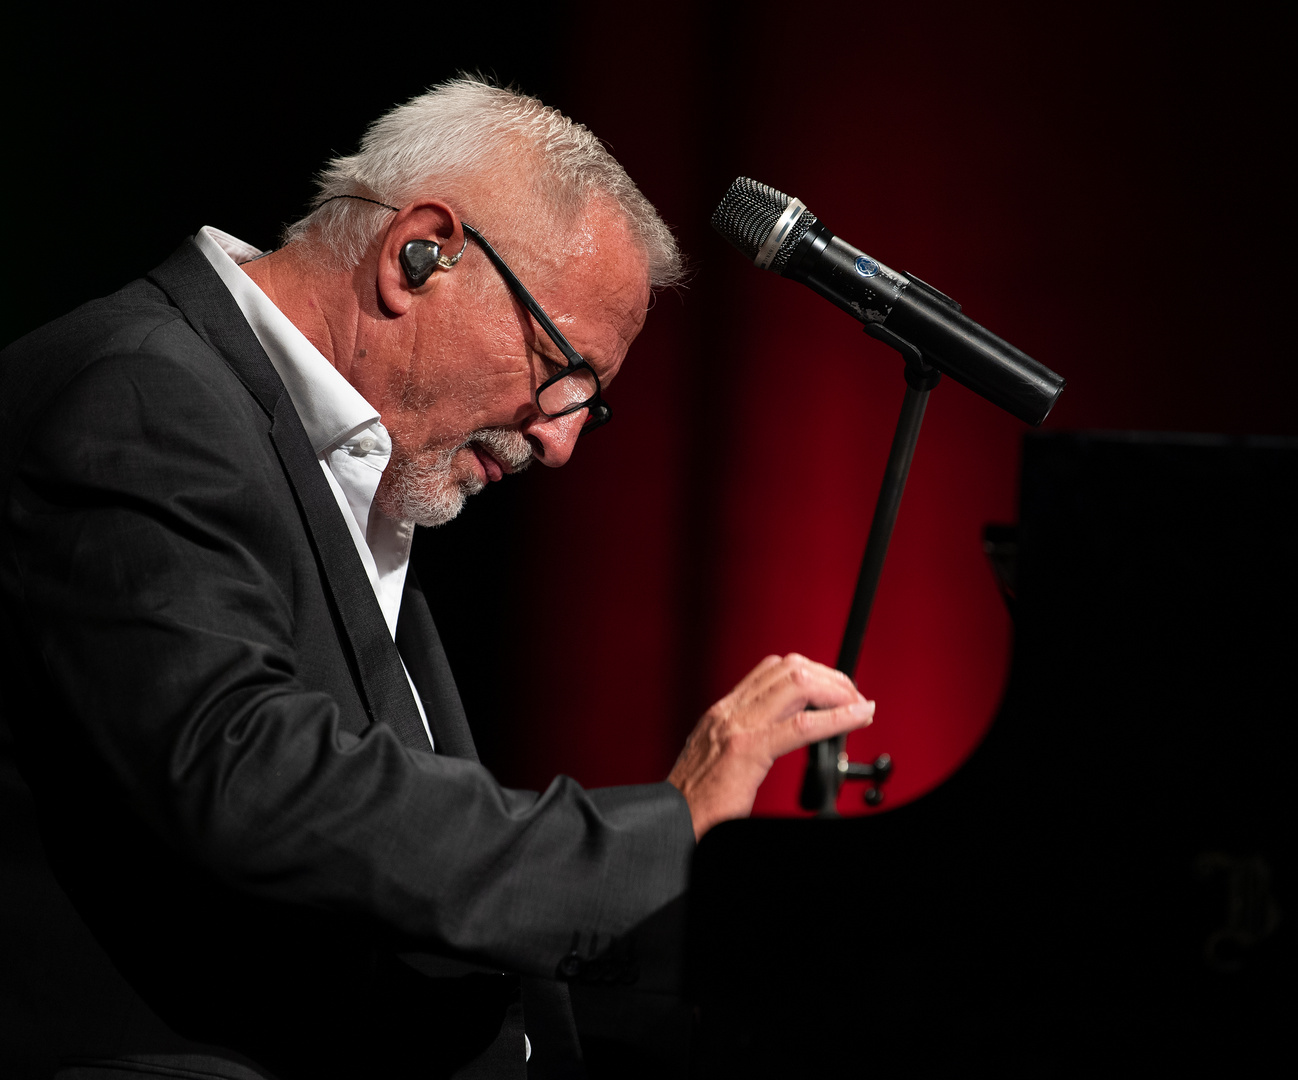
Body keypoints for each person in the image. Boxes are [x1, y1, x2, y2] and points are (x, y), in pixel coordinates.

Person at [0, 77, 874, 1080]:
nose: (559, 444)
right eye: (563, 375)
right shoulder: (143, 392)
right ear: (421, 252)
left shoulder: (345, 466)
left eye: (590, 407)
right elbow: (247, 770)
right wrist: (654, 843)